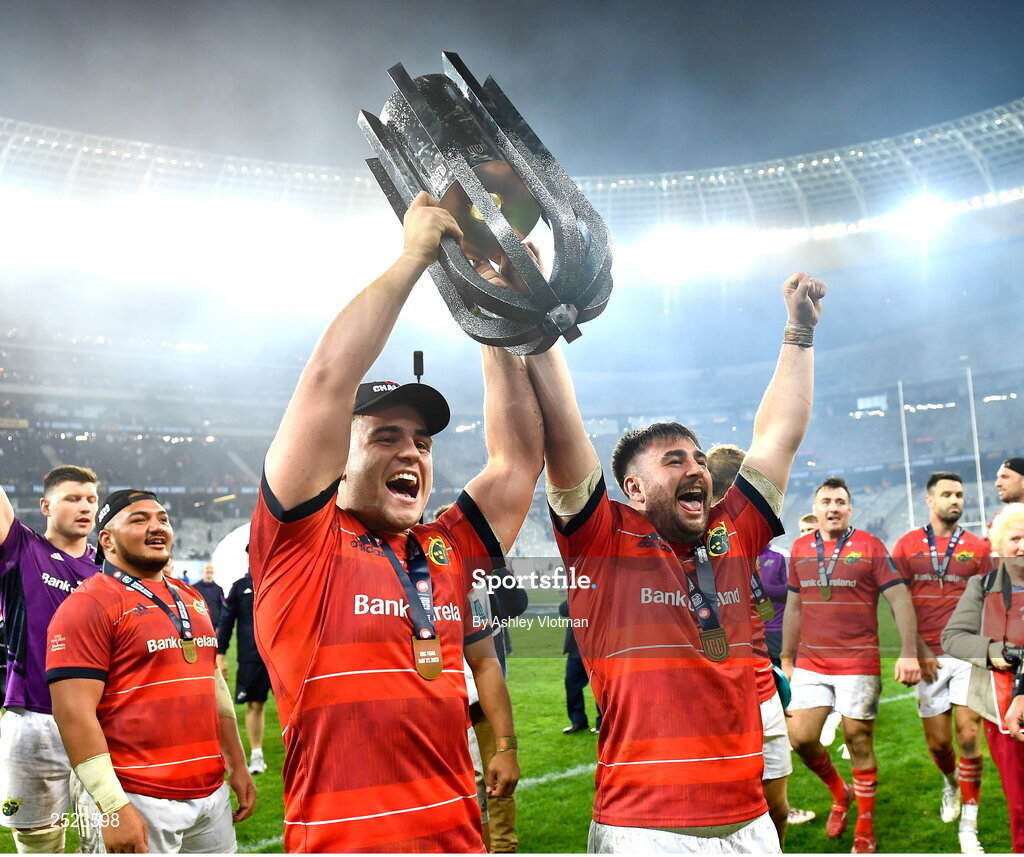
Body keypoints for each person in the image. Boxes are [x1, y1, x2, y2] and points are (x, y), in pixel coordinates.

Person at [248, 192, 542, 852]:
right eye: (385, 436)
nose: (411, 450)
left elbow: (520, 459)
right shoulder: (298, 545)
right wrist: (414, 256)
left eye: (423, 442)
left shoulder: (446, 547)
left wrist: (491, 303)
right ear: (337, 457)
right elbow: (329, 378)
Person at [522, 269, 826, 853]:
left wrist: (800, 332)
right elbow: (563, 427)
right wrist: (533, 319)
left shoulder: (732, 533)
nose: (696, 470)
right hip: (643, 829)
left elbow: (779, 435)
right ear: (633, 489)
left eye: (697, 458)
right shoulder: (602, 541)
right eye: (672, 460)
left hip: (749, 824)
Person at [45, 489, 255, 853]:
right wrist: (113, 806)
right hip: (135, 794)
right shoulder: (87, 605)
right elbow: (72, 713)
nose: (157, 527)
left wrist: (236, 762)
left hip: (210, 792)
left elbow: (214, 685)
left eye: (162, 519)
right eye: (139, 519)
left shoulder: (191, 597)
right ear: (107, 540)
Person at [782, 475, 921, 854]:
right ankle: (839, 792)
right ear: (814, 508)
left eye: (840, 501)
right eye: (826, 501)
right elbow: (794, 606)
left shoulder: (870, 546)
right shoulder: (799, 548)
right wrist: (786, 657)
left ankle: (864, 823)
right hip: (811, 660)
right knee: (802, 738)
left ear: (849, 508)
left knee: (858, 740)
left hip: (858, 661)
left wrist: (909, 651)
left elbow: (900, 600)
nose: (833, 508)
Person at [890, 472, 992, 851]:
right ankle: (951, 783)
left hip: (967, 654)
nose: (956, 500)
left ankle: (970, 823)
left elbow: (990, 604)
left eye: (960, 494)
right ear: (930, 500)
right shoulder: (906, 545)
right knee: (939, 746)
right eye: (947, 494)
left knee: (968, 735)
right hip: (928, 654)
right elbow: (899, 602)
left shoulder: (979, 547)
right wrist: (917, 648)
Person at [0, 465, 99, 853]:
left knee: (106, 834)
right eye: (72, 498)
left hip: (101, 721)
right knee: (38, 838)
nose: (85, 506)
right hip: (34, 717)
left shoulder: (110, 568)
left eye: (91, 499)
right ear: (45, 506)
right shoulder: (21, 548)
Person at [706, 443, 797, 846]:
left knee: (775, 808)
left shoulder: (753, 542)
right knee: (728, 812)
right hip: (716, 701)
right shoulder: (685, 544)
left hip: (763, 692)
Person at [943, 502, 1024, 853]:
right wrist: (995, 651)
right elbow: (953, 637)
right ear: (999, 546)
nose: (1023, 545)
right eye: (1016, 538)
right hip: (999, 710)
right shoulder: (983, 584)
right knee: (1020, 801)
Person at [216, 558, 271, 776]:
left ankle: (302, 754)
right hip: (251, 656)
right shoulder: (240, 587)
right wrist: (220, 654)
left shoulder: (280, 578)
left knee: (294, 708)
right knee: (254, 704)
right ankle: (257, 755)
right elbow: (226, 621)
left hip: (283, 656)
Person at [559, 599, 600, 735]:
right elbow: (563, 610)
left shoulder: (600, 590)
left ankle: (603, 723)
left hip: (598, 649)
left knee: (600, 687)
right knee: (571, 684)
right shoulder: (576, 592)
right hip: (576, 649)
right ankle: (578, 722)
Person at [194, 562, 225, 631]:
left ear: (214, 571)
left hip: (215, 626)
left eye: (211, 568)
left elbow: (222, 608)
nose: (209, 570)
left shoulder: (219, 589)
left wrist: (219, 626)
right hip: (199, 625)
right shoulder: (194, 588)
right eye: (207, 568)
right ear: (202, 570)